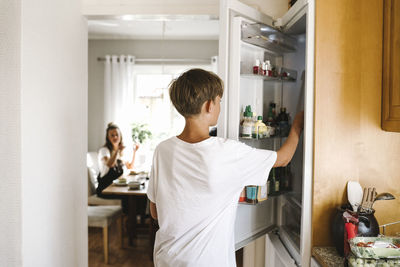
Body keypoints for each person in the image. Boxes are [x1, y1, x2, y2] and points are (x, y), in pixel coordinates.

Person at [147, 69, 304, 267]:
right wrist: (297, 126)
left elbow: (155, 211)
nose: (220, 106)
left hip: (167, 259)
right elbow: (283, 158)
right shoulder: (226, 152)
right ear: (209, 105)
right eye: (219, 100)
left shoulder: (163, 150)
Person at [97, 123, 139, 211]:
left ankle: (137, 221)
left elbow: (130, 166)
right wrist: (117, 151)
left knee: (137, 196)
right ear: (108, 138)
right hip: (105, 189)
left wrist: (135, 152)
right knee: (130, 198)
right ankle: (128, 222)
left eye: (117, 135)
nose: (115, 137)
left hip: (116, 188)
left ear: (120, 136)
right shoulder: (104, 151)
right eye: (112, 135)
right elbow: (110, 164)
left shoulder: (120, 152)